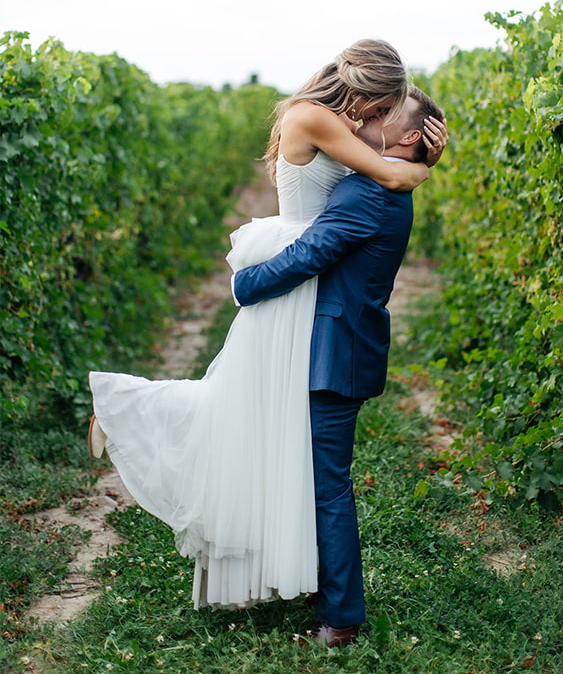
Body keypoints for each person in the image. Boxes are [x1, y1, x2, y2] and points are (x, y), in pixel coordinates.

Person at [88, 40, 447, 614]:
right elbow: (391, 178)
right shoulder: (318, 119)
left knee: (254, 425)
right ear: (362, 92)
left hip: (310, 287)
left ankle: (129, 409)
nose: (370, 120)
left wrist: (418, 157)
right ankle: (126, 406)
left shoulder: (344, 137)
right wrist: (423, 162)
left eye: (381, 114)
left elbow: (385, 179)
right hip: (298, 274)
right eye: (377, 106)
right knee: (243, 418)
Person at [232, 88, 443, 647]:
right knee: (316, 476)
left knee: (327, 485)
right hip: (340, 341)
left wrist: (242, 284)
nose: (365, 119)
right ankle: (316, 586)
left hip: (332, 348)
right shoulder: (383, 178)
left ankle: (342, 617)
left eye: (381, 115)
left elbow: (311, 254)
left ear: (408, 138)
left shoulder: (368, 188)